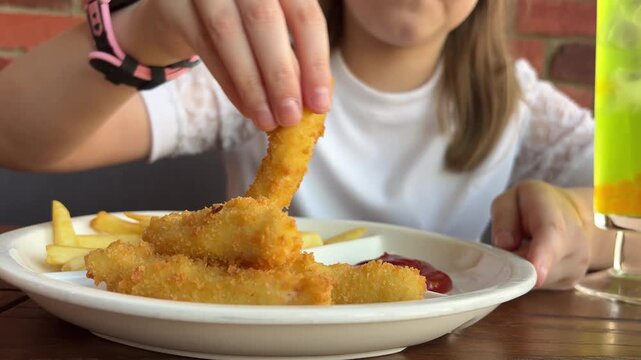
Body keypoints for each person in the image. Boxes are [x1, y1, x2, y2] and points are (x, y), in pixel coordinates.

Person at [0, 0, 615, 289]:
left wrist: (580, 223)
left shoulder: (523, 106)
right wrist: (143, 28)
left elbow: (630, 206)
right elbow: (18, 136)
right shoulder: (250, 78)